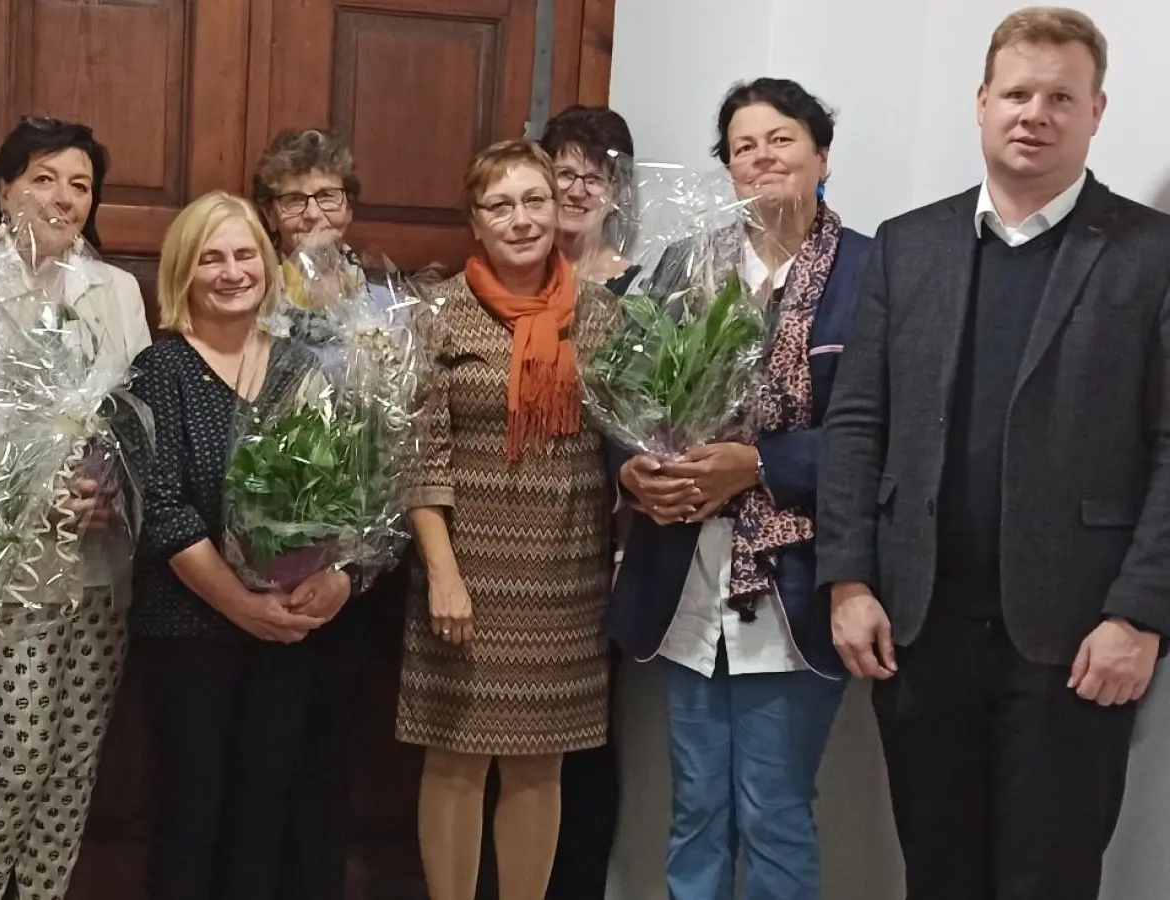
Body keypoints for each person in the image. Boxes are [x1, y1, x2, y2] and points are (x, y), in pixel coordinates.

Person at [817, 8, 1170, 898]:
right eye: (1016, 92)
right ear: (980, 103)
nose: (1034, 113)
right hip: (919, 628)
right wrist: (850, 579)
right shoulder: (908, 246)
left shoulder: (1151, 254)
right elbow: (857, 424)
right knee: (938, 875)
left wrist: (1140, 614)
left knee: (1045, 882)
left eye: (1061, 96)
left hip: (1077, 638)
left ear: (1096, 112)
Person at [607, 78, 870, 899]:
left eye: (780, 138)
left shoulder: (871, 272)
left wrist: (756, 466)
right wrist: (632, 467)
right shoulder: (683, 269)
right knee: (694, 807)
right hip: (688, 575)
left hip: (795, 586)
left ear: (820, 153)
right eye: (742, 145)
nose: (761, 156)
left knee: (773, 809)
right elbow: (622, 398)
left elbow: (884, 443)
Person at [0, 116, 152, 900]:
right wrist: (25, 482)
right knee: (12, 763)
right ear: (3, 187)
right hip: (5, 569)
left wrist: (114, 486)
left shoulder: (115, 289)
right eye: (44, 178)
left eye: (80, 185)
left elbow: (136, 417)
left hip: (99, 565)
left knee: (73, 763)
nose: (63, 198)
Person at [397, 139, 613, 900]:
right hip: (465, 566)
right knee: (453, 759)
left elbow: (630, 435)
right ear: (475, 221)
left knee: (539, 762)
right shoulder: (436, 314)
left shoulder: (604, 315)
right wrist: (442, 574)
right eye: (500, 205)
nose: (520, 220)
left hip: (566, 570)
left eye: (534, 201)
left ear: (558, 210)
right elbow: (420, 453)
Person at [126, 191, 349, 900]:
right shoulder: (154, 372)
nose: (231, 271)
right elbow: (160, 510)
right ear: (183, 272)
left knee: (269, 819)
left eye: (244, 253)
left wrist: (339, 577)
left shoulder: (303, 367)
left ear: (268, 264)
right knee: (192, 816)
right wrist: (239, 605)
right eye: (210, 257)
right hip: (189, 633)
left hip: (289, 633)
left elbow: (353, 491)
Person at [249, 125, 412, 900]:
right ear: (271, 212)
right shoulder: (249, 289)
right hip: (255, 568)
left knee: (330, 757)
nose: (312, 210)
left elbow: (404, 436)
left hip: (355, 567)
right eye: (292, 198)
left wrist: (352, 563)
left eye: (327, 195)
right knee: (257, 760)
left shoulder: (388, 306)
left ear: (349, 206)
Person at [540, 105, 641, 294]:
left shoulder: (636, 290)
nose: (577, 192)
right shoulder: (520, 274)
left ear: (617, 193)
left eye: (594, 179)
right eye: (566, 174)